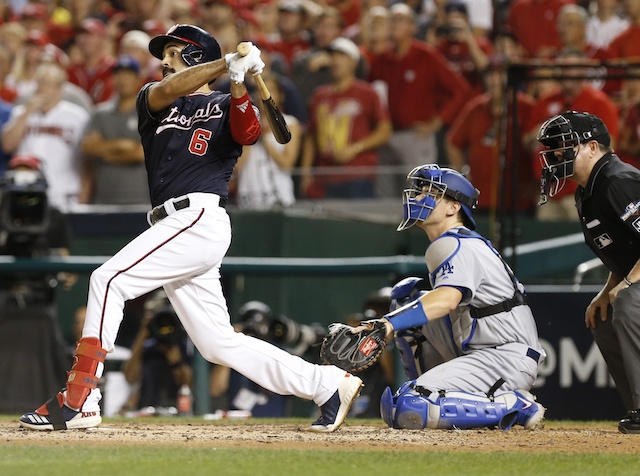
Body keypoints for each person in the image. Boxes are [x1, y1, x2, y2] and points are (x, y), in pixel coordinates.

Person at [19, 24, 363, 433]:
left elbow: (249, 132)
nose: (163, 61)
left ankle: (80, 398)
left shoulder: (225, 100)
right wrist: (228, 63)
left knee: (107, 280)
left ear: (197, 56)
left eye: (175, 52)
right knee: (217, 342)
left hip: (198, 216)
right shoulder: (154, 99)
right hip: (175, 222)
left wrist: (237, 82)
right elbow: (169, 89)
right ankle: (325, 384)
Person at [351, 164, 547, 430]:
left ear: (453, 207)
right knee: (405, 296)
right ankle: (431, 390)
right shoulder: (452, 242)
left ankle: (515, 405)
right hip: (485, 353)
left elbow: (446, 300)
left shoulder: (455, 243)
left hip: (504, 358)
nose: (419, 198)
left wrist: (386, 324)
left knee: (409, 407)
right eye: (420, 192)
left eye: (431, 193)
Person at [536, 110, 640, 433]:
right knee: (604, 315)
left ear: (593, 147)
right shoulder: (587, 191)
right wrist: (608, 288)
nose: (556, 156)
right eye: (553, 150)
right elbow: (624, 249)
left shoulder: (617, 180)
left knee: (629, 303)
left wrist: (626, 284)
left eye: (564, 147)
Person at [301, 37, 392, 199]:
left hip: (357, 174)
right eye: (333, 56)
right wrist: (306, 171)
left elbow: (385, 130)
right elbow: (311, 135)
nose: (336, 61)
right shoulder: (319, 94)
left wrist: (355, 148)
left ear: (354, 62)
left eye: (342, 56)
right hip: (324, 176)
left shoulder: (367, 93)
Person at [1, 62, 90, 212]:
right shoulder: (20, 113)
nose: (42, 89)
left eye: (48, 84)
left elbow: (88, 162)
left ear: (60, 87)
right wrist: (28, 111)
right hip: (26, 192)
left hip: (65, 194)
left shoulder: (78, 117)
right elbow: (7, 145)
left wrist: (84, 197)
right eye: (40, 83)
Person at [80, 55, 149, 206]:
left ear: (138, 79)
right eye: (118, 74)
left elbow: (140, 154)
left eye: (128, 74)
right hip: (104, 198)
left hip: (140, 198)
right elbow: (87, 147)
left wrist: (104, 153)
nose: (122, 79)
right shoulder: (100, 113)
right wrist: (123, 146)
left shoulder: (148, 113)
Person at [235, 74, 300, 210]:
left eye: (271, 90)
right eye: (260, 90)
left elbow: (287, 164)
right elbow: (236, 167)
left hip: (279, 194)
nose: (264, 94)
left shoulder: (290, 123)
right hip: (249, 194)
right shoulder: (245, 125)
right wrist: (251, 136)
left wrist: (264, 139)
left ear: (281, 96)